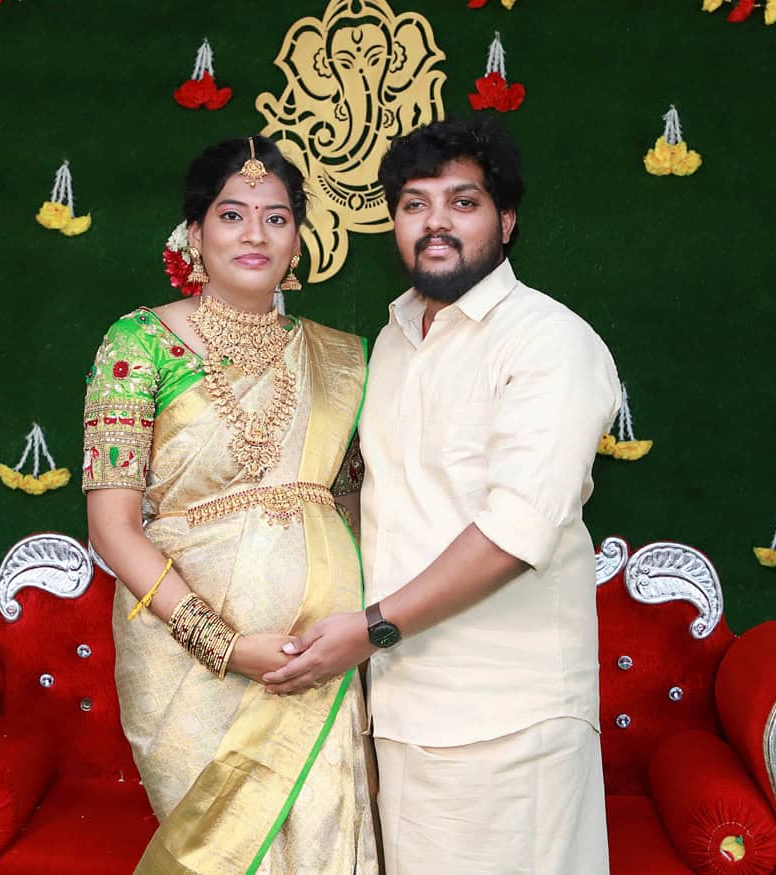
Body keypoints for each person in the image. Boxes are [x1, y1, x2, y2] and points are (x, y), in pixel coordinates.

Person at [263, 117, 621, 873]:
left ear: (506, 219)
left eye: (463, 202)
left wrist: (369, 629)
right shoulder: (394, 339)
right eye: (414, 203)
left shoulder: (548, 341)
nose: (435, 223)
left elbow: (512, 532)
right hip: (401, 709)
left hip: (511, 716)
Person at [83, 135, 378, 874]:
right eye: (232, 214)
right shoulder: (137, 343)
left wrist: (351, 627)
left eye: (276, 218)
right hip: (187, 665)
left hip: (317, 646)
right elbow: (112, 528)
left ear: (298, 238)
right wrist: (222, 643)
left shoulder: (342, 357)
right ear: (195, 232)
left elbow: (352, 506)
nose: (254, 234)